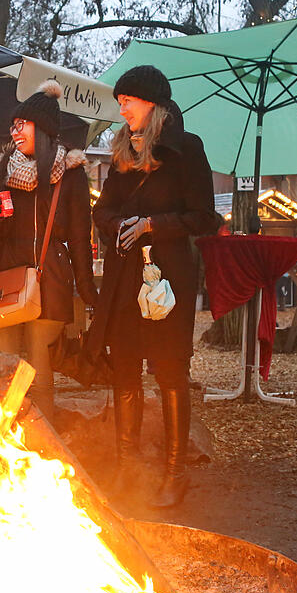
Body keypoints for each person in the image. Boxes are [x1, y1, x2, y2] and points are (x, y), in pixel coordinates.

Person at [89, 65, 222, 507]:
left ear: (151, 101)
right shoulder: (123, 150)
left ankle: (173, 473)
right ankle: (128, 470)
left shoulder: (186, 149)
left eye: (127, 98)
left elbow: (204, 217)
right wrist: (117, 224)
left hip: (168, 279)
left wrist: (151, 224)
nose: (121, 106)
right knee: (125, 368)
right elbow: (102, 210)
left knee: (169, 372)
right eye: (120, 100)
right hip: (125, 279)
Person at [0, 80, 97, 421]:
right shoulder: (5, 169)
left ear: (41, 128)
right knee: (4, 370)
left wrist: (86, 288)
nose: (15, 132)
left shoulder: (70, 174)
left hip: (51, 278)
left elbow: (78, 235)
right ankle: (1, 444)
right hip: (6, 278)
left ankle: (44, 448)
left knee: (39, 364)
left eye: (22, 125)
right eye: (13, 126)